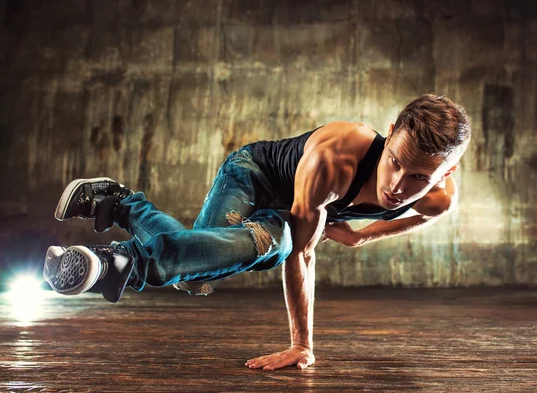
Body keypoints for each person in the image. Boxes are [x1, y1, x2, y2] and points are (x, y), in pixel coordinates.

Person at [43, 93, 471, 371]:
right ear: (391, 133)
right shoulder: (338, 158)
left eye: (418, 177)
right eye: (394, 162)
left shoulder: (438, 200)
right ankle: (113, 260)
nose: (397, 186)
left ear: (447, 172)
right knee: (278, 243)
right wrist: (302, 344)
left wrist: (362, 236)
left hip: (293, 210)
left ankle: (118, 204)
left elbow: (421, 215)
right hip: (252, 175)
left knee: (197, 274)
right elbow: (301, 253)